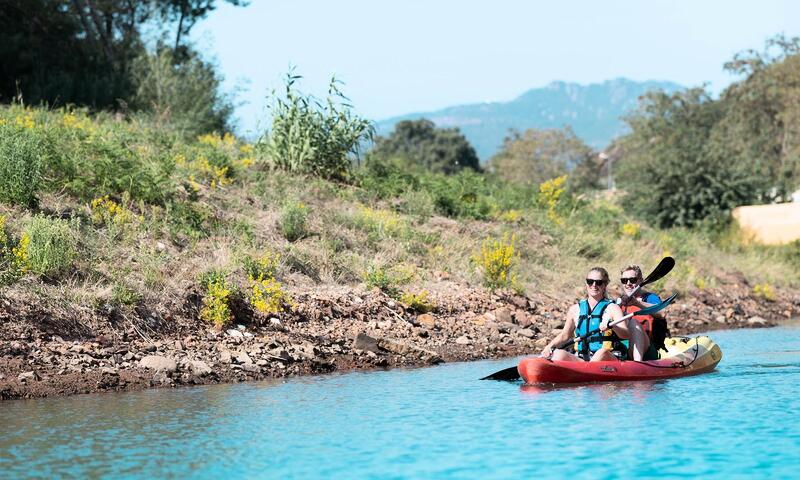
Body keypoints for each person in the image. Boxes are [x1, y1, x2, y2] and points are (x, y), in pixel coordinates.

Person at [541, 267, 650, 362]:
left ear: (605, 285)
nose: (594, 285)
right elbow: (565, 335)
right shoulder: (575, 309)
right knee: (558, 354)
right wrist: (549, 347)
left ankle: (587, 373)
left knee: (601, 353)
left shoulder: (613, 308)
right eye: (590, 281)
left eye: (598, 282)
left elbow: (625, 334)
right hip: (583, 359)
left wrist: (613, 326)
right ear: (586, 283)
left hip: (608, 357)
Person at [617, 264, 667, 360]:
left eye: (632, 280)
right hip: (623, 348)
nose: (628, 283)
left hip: (647, 349)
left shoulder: (650, 298)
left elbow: (662, 313)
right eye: (624, 280)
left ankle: (637, 363)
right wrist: (617, 307)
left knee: (633, 323)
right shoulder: (619, 301)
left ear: (640, 280)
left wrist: (637, 303)